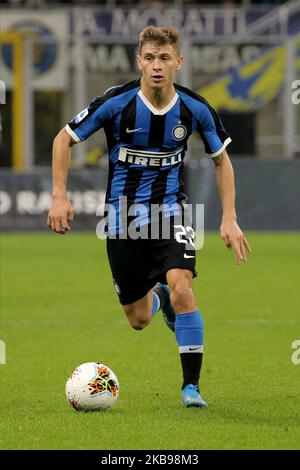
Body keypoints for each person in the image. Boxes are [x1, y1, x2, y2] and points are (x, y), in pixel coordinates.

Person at [47, 26, 251, 408]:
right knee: (138, 319)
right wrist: (59, 196)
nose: (157, 66)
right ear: (139, 61)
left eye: (165, 58)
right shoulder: (117, 102)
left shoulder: (195, 108)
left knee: (184, 287)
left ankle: (191, 387)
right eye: (150, 58)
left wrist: (229, 217)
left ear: (179, 62)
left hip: (170, 213)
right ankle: (160, 300)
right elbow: (64, 138)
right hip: (122, 221)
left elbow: (221, 160)